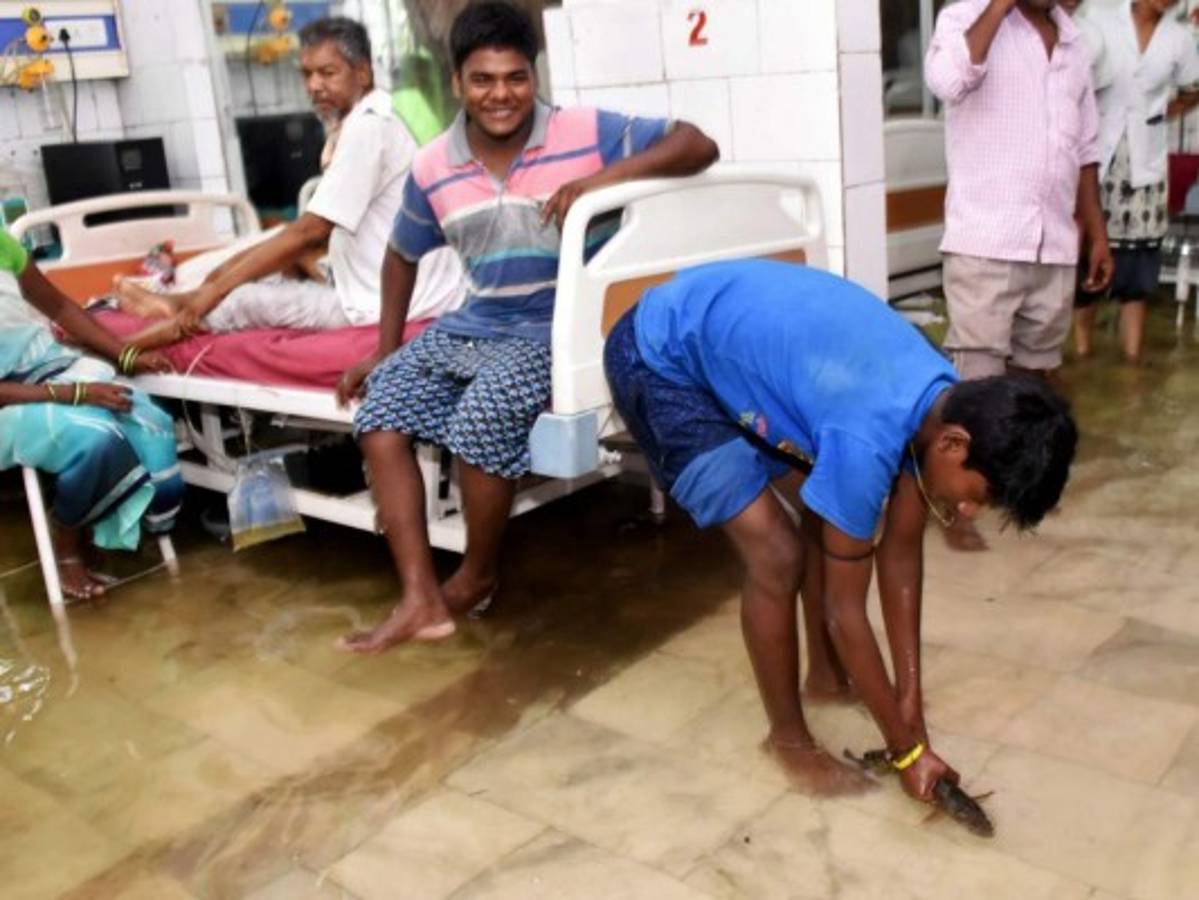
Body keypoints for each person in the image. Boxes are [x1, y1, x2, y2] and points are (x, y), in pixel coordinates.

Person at [604, 259, 1078, 799]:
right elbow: (844, 609)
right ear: (954, 445)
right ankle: (787, 740)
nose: (968, 514)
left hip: (735, 348)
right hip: (658, 359)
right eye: (977, 497)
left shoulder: (942, 398)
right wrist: (908, 751)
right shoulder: (869, 435)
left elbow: (900, 556)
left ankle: (826, 678)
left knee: (823, 518)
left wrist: (910, 703)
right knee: (777, 556)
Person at [334, 1, 719, 653]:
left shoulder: (583, 130)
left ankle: (477, 576)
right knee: (379, 413)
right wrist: (384, 349)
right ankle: (419, 599)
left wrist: (600, 182)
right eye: (482, 80)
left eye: (515, 77)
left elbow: (696, 143)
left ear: (533, 76)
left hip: (560, 327)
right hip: (477, 321)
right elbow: (401, 254)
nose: (500, 95)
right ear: (457, 83)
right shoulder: (432, 166)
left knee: (480, 419)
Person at [116, 16, 463, 349]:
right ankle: (178, 297)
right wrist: (219, 276)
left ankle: (170, 314)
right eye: (307, 74)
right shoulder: (362, 119)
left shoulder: (369, 128)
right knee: (271, 253)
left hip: (384, 301)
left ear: (362, 72)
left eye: (327, 73)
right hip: (384, 278)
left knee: (243, 299)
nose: (314, 85)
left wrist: (215, 292)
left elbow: (311, 231)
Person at [925, 0, 1111, 551]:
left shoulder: (1076, 44)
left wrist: (1095, 231)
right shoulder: (966, 18)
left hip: (1053, 241)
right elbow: (948, 80)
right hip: (986, 239)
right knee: (975, 382)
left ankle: (1018, 482)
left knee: (1035, 379)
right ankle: (955, 503)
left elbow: (1085, 148)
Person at [0, 227, 184, 601]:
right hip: (9, 399)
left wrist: (125, 354)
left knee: (148, 422)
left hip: (45, 366)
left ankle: (104, 521)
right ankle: (67, 542)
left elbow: (59, 306)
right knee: (96, 437)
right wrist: (77, 393)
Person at [1073, 0, 1199, 362]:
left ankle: (1132, 361)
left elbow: (1193, 86)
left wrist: (1166, 111)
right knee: (1089, 260)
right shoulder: (1099, 19)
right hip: (1100, 157)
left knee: (1140, 265)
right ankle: (1082, 351)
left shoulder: (1178, 37)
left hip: (1146, 162)